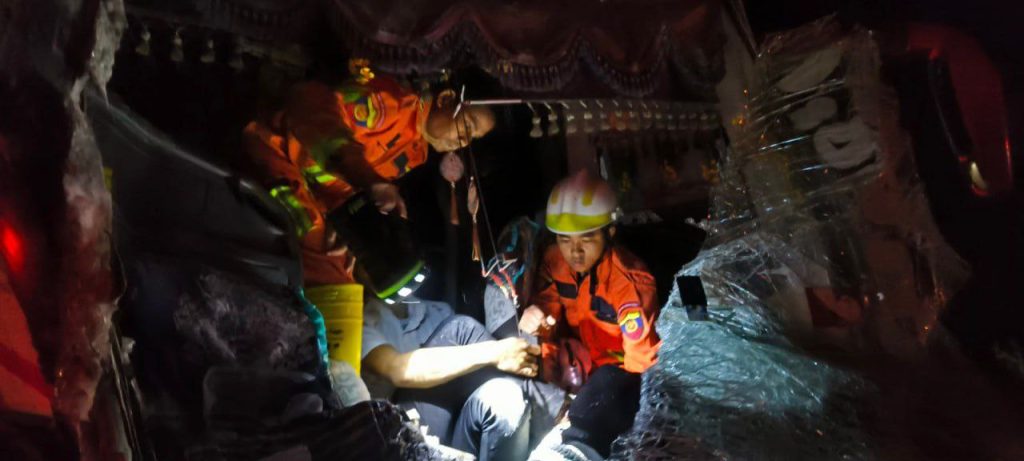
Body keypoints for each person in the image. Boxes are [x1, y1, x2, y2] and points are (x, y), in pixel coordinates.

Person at [240, 68, 495, 286]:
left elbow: (348, 191)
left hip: (313, 191)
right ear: (446, 99)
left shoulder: (416, 152)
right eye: (468, 126)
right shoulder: (393, 103)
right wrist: (368, 180)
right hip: (277, 150)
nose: (464, 141)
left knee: (347, 262)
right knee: (321, 254)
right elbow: (310, 105)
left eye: (473, 138)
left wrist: (354, 225)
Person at [519, 171, 661, 458]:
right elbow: (548, 317)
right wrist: (537, 317)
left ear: (609, 233)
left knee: (608, 382)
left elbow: (640, 365)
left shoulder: (629, 283)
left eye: (587, 238)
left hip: (613, 384)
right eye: (564, 240)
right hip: (575, 369)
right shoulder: (555, 262)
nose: (575, 252)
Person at [360, 297, 564, 461]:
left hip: (452, 428)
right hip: (398, 433)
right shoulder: (360, 324)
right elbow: (398, 369)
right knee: (461, 329)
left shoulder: (432, 309)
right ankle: (560, 416)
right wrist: (495, 352)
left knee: (504, 396)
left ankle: (554, 423)